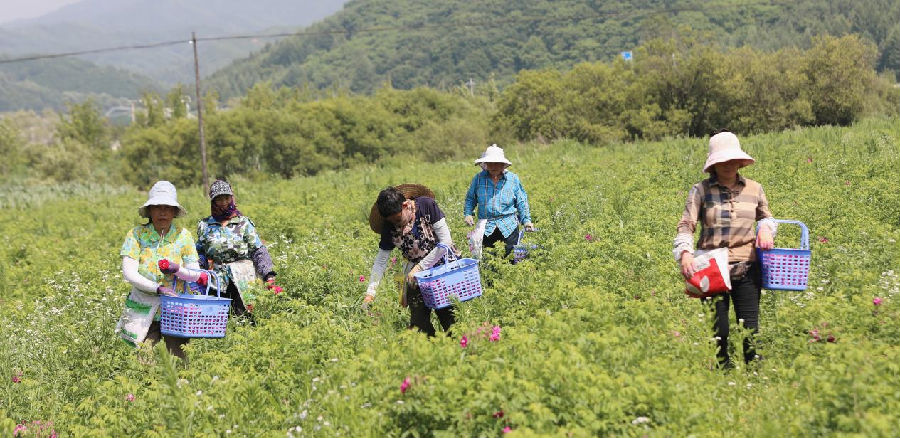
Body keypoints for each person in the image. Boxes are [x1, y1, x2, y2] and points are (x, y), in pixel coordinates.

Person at [673, 131, 777, 369]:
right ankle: (723, 371)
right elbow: (686, 224)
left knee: (749, 328)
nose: (728, 164)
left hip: (746, 266)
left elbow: (767, 218)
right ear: (713, 164)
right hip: (712, 268)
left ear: (740, 161)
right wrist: (685, 253)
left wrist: (765, 229)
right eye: (722, 160)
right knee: (719, 330)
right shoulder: (700, 190)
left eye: (733, 159)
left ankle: (754, 373)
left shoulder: (754, 189)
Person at [116, 181, 205, 359]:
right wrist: (157, 288)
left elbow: (195, 273)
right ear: (150, 211)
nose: (162, 212)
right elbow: (129, 272)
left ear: (174, 212)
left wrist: (178, 270)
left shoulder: (183, 236)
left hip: (175, 308)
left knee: (178, 360)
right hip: (144, 305)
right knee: (143, 358)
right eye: (157, 207)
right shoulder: (137, 235)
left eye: (167, 208)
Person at [363, 185, 461, 336]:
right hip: (415, 277)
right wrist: (370, 293)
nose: (396, 224)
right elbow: (381, 261)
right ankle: (430, 347)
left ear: (405, 205)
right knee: (419, 323)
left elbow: (446, 242)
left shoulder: (426, 206)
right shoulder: (389, 227)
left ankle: (456, 347)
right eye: (392, 221)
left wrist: (420, 267)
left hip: (442, 269)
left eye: (397, 219)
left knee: (449, 319)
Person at [196, 180, 280, 319]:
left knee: (244, 317)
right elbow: (200, 252)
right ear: (213, 201)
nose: (224, 202)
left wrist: (268, 275)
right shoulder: (205, 225)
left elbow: (258, 250)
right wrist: (197, 273)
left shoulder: (243, 223)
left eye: (226, 198)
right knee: (217, 319)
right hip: (217, 281)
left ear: (232, 198)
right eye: (219, 199)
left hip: (244, 278)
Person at [464, 144, 534, 259]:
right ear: (485, 164)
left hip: (508, 225)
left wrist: (526, 221)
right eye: (490, 163)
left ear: (503, 165)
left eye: (496, 163)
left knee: (510, 259)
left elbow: (521, 201)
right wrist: (468, 214)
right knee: (488, 259)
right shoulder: (478, 179)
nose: (493, 166)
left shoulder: (512, 179)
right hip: (486, 226)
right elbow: (470, 198)